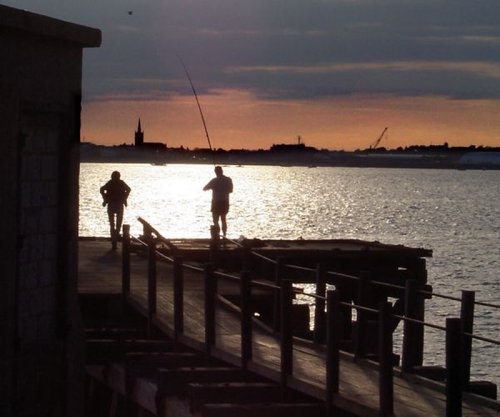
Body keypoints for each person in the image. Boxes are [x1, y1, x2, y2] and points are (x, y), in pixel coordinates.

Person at [100, 171, 131, 249]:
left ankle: (114, 240)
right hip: (119, 204)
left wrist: (105, 199)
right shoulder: (121, 183)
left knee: (112, 224)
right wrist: (124, 198)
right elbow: (129, 189)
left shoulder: (110, 183)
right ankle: (115, 240)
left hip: (112, 204)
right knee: (117, 224)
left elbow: (101, 189)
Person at [203, 166, 233, 237]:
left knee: (215, 220)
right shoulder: (228, 180)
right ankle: (225, 235)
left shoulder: (214, 181)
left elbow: (204, 188)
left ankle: (217, 235)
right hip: (225, 202)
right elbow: (231, 190)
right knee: (223, 219)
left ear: (215, 172)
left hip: (216, 202)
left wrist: (213, 187)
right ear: (222, 171)